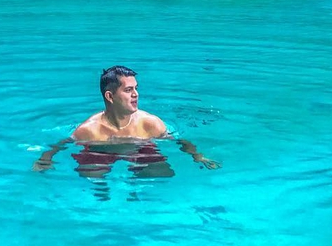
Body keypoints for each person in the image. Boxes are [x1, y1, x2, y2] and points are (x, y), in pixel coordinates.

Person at [32, 65, 219, 175]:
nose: (136, 95)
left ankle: (135, 190)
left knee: (163, 173)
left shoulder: (150, 124)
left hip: (140, 149)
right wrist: (45, 159)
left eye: (136, 88)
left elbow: (179, 141)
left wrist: (197, 155)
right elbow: (62, 144)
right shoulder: (90, 130)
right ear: (110, 96)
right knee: (90, 176)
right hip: (99, 149)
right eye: (128, 90)